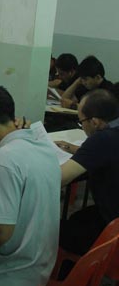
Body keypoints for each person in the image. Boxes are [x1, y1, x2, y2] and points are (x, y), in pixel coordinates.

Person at [0, 83, 60, 286]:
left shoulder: (5, 160)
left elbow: (1, 233)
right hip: (39, 265)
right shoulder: (42, 145)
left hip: (7, 273)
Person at [56, 89, 119, 257]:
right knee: (77, 217)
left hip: (111, 230)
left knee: (52, 227)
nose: (81, 126)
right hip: (114, 214)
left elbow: (58, 178)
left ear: (95, 122)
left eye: (81, 121)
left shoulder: (101, 139)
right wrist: (77, 149)